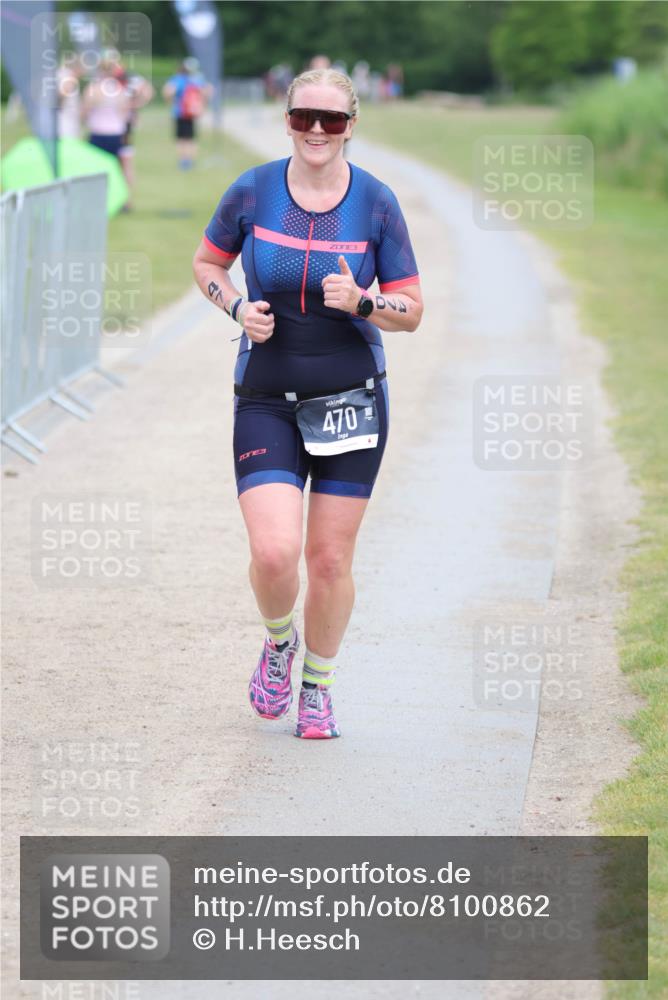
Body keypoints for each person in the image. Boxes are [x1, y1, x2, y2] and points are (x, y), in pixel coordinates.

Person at [192, 68, 423, 739]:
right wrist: (235, 305)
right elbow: (207, 264)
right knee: (272, 553)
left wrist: (366, 302)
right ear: (286, 119)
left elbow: (412, 310)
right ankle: (278, 643)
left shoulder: (376, 203)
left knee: (327, 560)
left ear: (353, 123)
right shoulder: (254, 190)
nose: (317, 131)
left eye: (332, 120)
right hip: (266, 393)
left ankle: (317, 686)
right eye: (303, 118)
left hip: (351, 396)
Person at [81, 50, 131, 163]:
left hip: (98, 132)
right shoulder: (120, 89)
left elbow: (85, 110)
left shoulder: (93, 88)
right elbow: (125, 112)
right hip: (116, 132)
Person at [162, 57, 211, 170]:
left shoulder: (178, 79)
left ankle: (183, 161)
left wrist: (172, 103)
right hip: (192, 113)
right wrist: (202, 105)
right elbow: (208, 91)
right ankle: (190, 161)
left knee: (181, 139)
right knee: (191, 138)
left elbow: (168, 91)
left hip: (180, 113)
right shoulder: (197, 79)